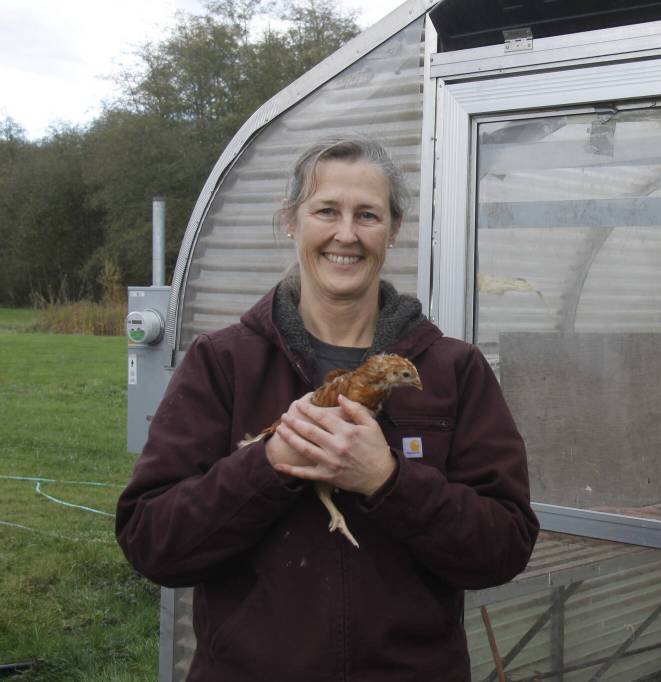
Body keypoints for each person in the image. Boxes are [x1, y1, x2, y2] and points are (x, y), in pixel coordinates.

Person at [116, 134, 539, 681]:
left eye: (368, 215)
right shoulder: (223, 363)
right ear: (292, 220)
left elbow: (502, 548)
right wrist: (269, 464)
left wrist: (387, 480)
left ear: (394, 232)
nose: (346, 234)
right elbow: (152, 542)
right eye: (326, 211)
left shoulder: (453, 370)